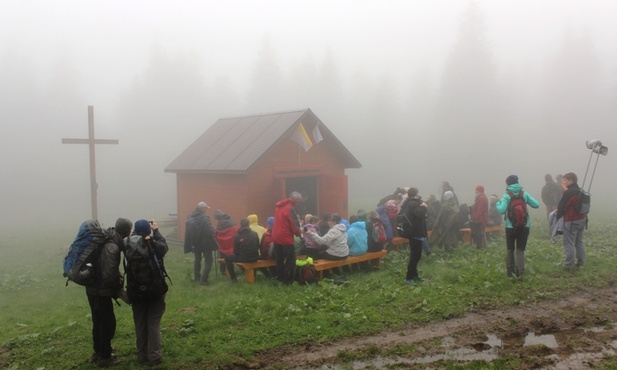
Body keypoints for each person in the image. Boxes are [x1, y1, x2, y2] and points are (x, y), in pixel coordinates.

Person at [87, 217, 132, 367]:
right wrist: (118, 283)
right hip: (101, 291)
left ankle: (98, 352)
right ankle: (105, 356)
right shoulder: (112, 247)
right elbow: (108, 274)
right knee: (107, 323)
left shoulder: (108, 238)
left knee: (98, 321)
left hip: (92, 288)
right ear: (126, 231)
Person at [126, 219, 169, 365]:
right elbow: (164, 246)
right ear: (148, 230)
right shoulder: (153, 244)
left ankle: (141, 355)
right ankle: (154, 356)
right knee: (153, 323)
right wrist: (156, 231)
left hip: (135, 291)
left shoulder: (127, 244)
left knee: (140, 323)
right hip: (155, 290)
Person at [496, 175, 540, 277]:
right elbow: (536, 204)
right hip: (524, 225)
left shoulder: (506, 195)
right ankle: (520, 272)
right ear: (517, 182)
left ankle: (510, 272)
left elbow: (501, 210)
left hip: (510, 226)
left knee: (510, 249)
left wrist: (498, 203)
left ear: (507, 184)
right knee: (520, 250)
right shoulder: (524, 194)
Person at [556, 172, 587, 270]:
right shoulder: (580, 190)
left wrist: (557, 218)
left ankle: (568, 265)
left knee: (569, 243)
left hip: (571, 220)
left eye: (565, 180)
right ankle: (581, 263)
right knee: (579, 242)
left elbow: (561, 206)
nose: (564, 182)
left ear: (571, 180)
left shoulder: (568, 192)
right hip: (582, 219)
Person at [272, 191, 302, 285]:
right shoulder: (290, 208)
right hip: (285, 237)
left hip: (276, 236)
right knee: (290, 260)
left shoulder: (279, 206)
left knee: (279, 259)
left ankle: (280, 278)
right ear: (296, 200)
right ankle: (287, 281)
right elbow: (293, 224)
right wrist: (298, 233)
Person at [399, 187, 428, 285]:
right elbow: (419, 214)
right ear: (416, 194)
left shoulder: (410, 203)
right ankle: (408, 278)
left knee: (416, 255)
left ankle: (414, 275)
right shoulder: (412, 204)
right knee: (415, 256)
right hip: (415, 233)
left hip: (415, 232)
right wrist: (423, 206)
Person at [184, 201, 218, 284]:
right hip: (205, 243)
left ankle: (196, 276)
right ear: (202, 209)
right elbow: (208, 231)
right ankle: (203, 280)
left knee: (197, 259)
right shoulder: (204, 218)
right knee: (209, 260)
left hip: (194, 243)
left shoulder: (190, 216)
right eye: (206, 208)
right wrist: (213, 232)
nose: (206, 210)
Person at [224, 218, 260, 283]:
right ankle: (254, 275)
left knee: (227, 258)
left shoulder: (237, 236)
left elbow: (235, 251)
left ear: (241, 225)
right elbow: (257, 246)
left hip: (243, 258)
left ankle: (234, 279)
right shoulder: (254, 234)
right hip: (255, 257)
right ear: (248, 224)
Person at [214, 210, 239, 275]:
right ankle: (234, 269)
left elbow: (217, 234)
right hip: (232, 245)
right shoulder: (231, 221)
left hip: (223, 246)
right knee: (232, 256)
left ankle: (222, 271)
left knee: (221, 255)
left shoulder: (220, 224)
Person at [470, 185, 489, 249]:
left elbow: (480, 210)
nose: (475, 191)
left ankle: (481, 248)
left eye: (476, 190)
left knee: (480, 235)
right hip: (480, 219)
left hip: (480, 220)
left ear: (479, 190)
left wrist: (476, 218)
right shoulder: (480, 197)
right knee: (479, 234)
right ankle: (480, 247)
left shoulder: (481, 198)